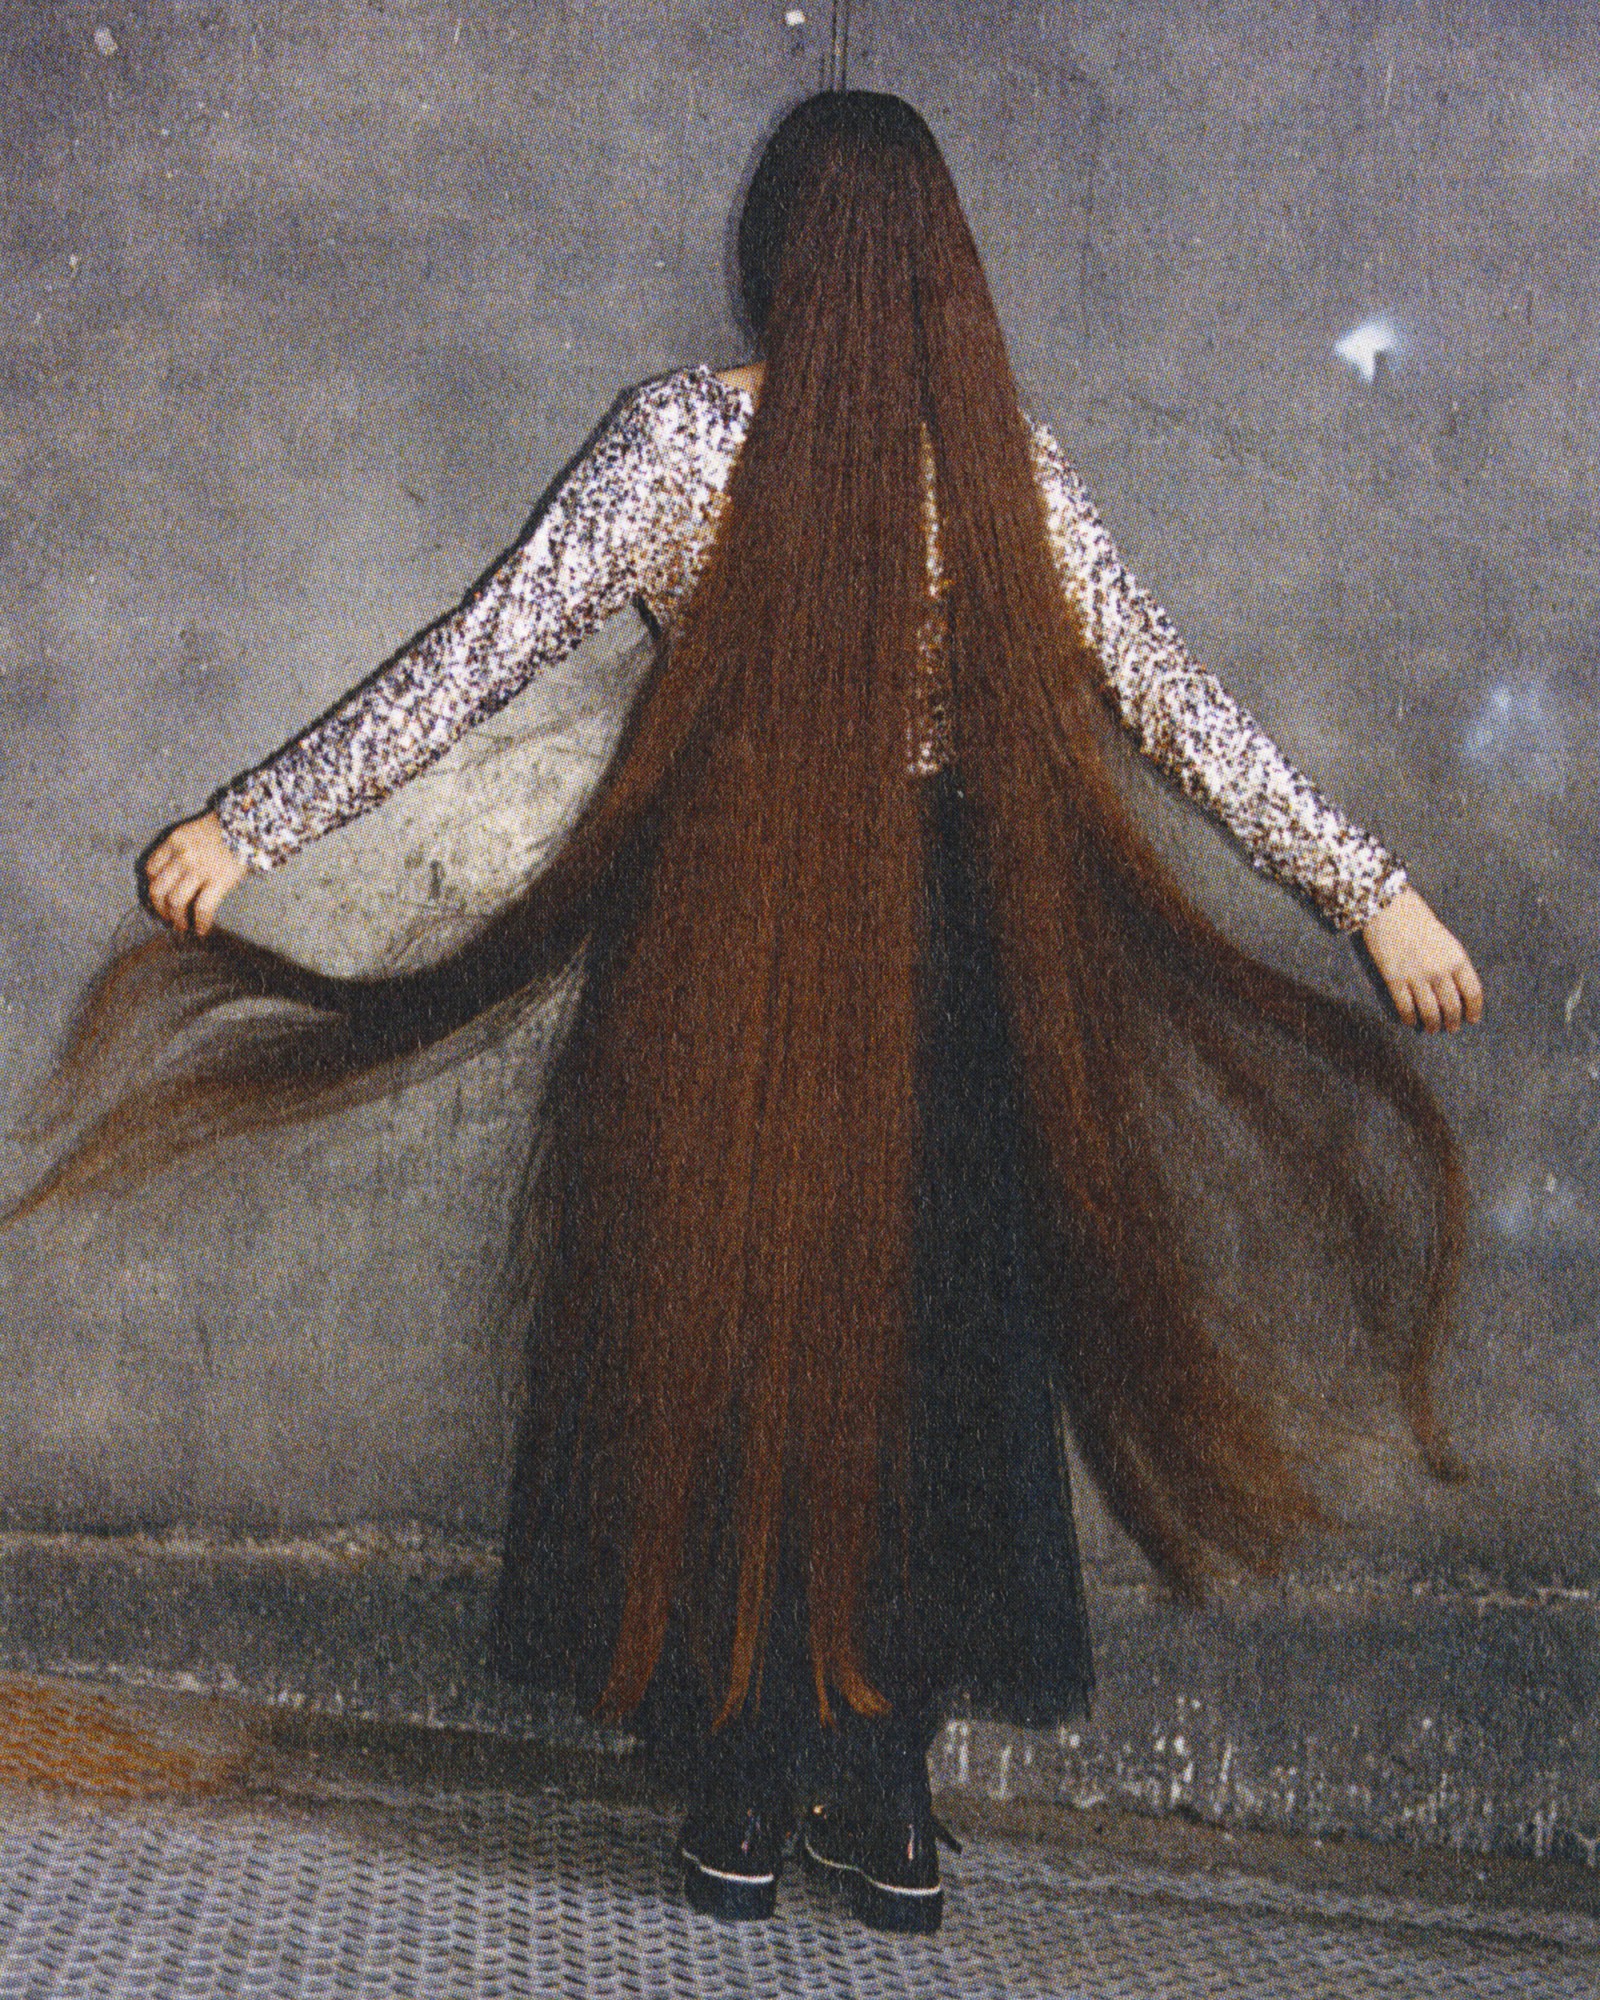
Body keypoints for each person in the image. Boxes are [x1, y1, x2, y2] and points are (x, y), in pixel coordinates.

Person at [14, 92, 1482, 1934]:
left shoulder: (680, 446)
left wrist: (251, 822)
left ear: (773, 251)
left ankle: (739, 1791)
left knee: (721, 1355)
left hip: (725, 952)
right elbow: (1185, 716)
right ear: (944, 267)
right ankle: (887, 1806)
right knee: (937, 1374)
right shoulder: (1003, 472)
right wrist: (1374, 892)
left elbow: (472, 659)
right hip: (946, 970)